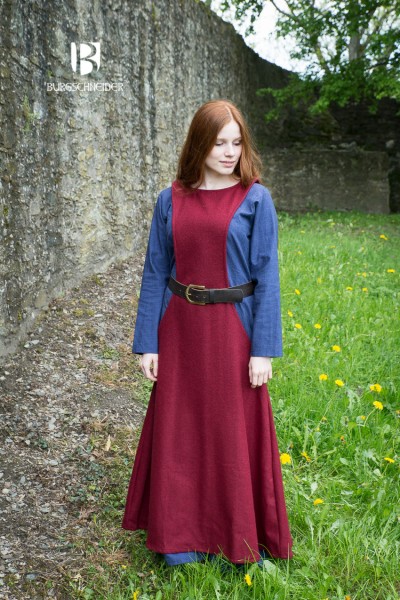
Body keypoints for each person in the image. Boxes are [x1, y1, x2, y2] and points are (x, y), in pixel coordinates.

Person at [121, 99, 294, 568]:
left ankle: (238, 538)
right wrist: (148, 341)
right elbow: (156, 271)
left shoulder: (255, 199)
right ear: (199, 143)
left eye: (236, 143)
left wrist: (263, 350)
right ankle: (180, 540)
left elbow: (267, 276)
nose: (230, 152)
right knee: (182, 432)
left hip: (233, 333)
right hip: (180, 331)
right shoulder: (169, 199)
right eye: (219, 143)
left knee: (230, 435)